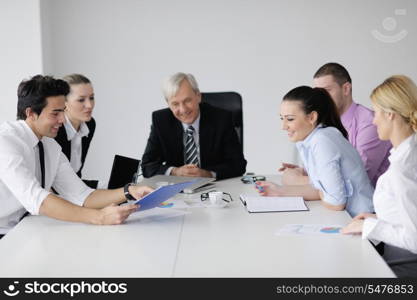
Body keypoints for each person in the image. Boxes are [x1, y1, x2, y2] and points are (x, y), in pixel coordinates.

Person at [0, 75, 153, 239]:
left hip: (24, 228)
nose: (61, 119)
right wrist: (100, 217)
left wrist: (129, 191)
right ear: (30, 113)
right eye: (55, 113)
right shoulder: (5, 142)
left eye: (63, 111)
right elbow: (38, 199)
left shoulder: (50, 146)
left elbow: (83, 195)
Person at [256, 86, 374, 217]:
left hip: (361, 220)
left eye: (290, 119)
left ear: (312, 117)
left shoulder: (322, 141)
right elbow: (320, 189)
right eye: (281, 118)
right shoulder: (309, 140)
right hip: (349, 218)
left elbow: (336, 203)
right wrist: (278, 191)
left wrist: (321, 192)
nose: (283, 126)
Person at [342, 75, 417, 277]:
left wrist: (370, 226)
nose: (374, 120)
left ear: (390, 114)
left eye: (376, 113)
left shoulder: (404, 168)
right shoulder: (408, 153)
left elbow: (414, 238)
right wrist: (379, 218)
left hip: (402, 270)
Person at [141, 72, 247, 180]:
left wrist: (207, 174)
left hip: (215, 189)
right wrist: (175, 171)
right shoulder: (161, 120)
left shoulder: (221, 119)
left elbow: (238, 165)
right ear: (168, 103)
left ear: (198, 96)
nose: (183, 109)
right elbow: (147, 166)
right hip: (177, 190)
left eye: (187, 101)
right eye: (175, 104)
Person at [310, 62, 391, 187]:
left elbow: (358, 179)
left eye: (327, 91)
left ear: (346, 89)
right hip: (341, 202)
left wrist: (302, 180)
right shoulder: (325, 124)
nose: (321, 98)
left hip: (373, 203)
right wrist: (303, 171)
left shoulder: (370, 123)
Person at [55, 74, 95, 182]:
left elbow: (76, 176)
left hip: (74, 190)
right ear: (64, 102)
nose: (89, 105)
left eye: (91, 98)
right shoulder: (54, 129)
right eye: (81, 100)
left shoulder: (90, 124)